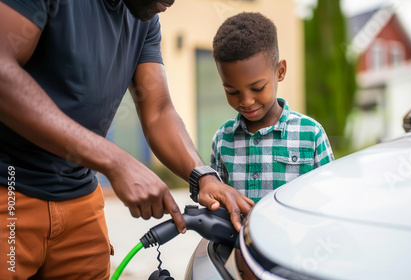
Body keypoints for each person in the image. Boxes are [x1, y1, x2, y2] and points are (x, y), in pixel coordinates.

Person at [0, 0, 253, 278]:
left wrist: (204, 176)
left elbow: (158, 111)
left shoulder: (144, 17)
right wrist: (114, 160)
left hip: (80, 199)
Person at [210, 12, 335, 203]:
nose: (246, 101)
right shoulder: (222, 139)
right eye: (232, 91)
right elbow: (218, 206)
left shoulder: (311, 134)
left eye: (257, 88)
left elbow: (331, 198)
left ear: (280, 71)